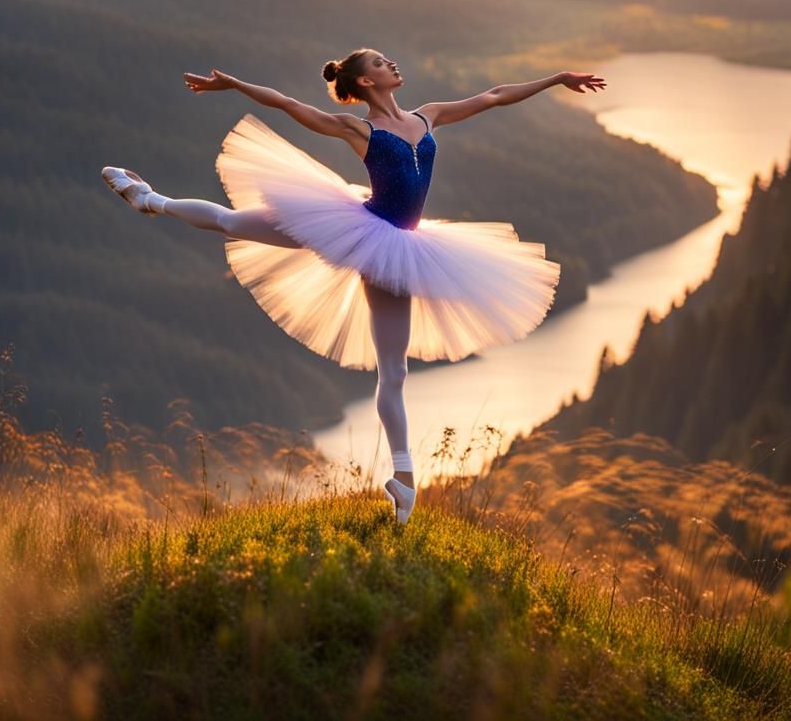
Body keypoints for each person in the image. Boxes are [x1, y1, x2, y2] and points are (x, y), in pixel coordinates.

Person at [102, 49, 606, 523]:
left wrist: (557, 79)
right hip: (354, 227)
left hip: (402, 244)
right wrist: (232, 84)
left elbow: (493, 95)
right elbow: (288, 103)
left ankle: (404, 479)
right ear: (366, 80)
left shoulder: (428, 116)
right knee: (234, 223)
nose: (393, 63)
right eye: (382, 62)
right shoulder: (356, 128)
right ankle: (149, 199)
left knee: (394, 370)